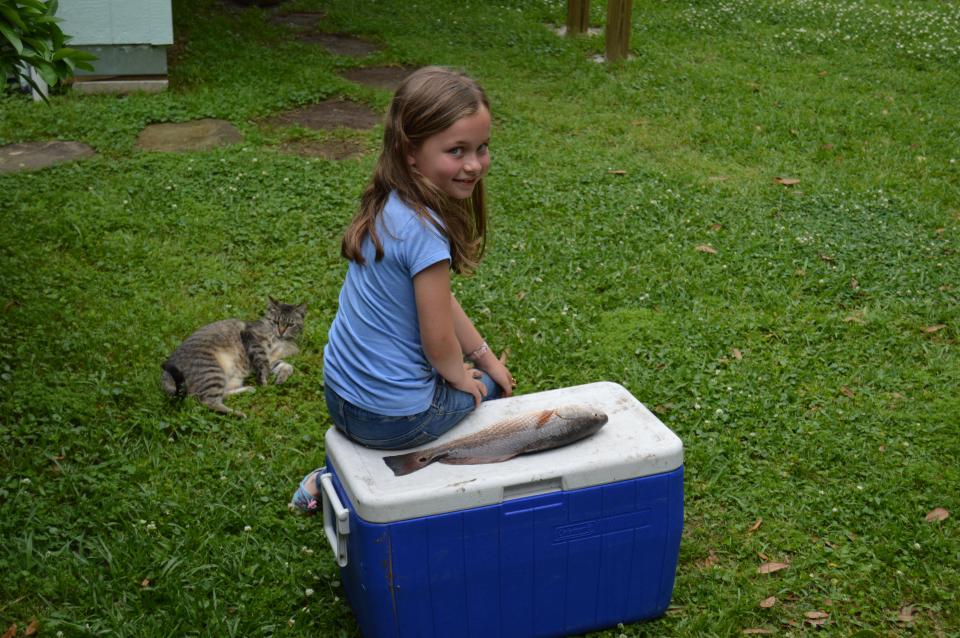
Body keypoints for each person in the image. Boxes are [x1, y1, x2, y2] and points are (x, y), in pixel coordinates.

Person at [291, 66, 515, 512]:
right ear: (411, 152)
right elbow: (438, 341)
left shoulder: (388, 203)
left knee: (477, 375)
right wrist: (468, 376)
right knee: (490, 389)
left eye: (481, 148)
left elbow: (441, 303)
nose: (474, 164)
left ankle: (332, 475)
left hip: (340, 397)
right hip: (394, 420)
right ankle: (363, 476)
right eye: (456, 150)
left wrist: (482, 353)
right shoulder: (426, 232)